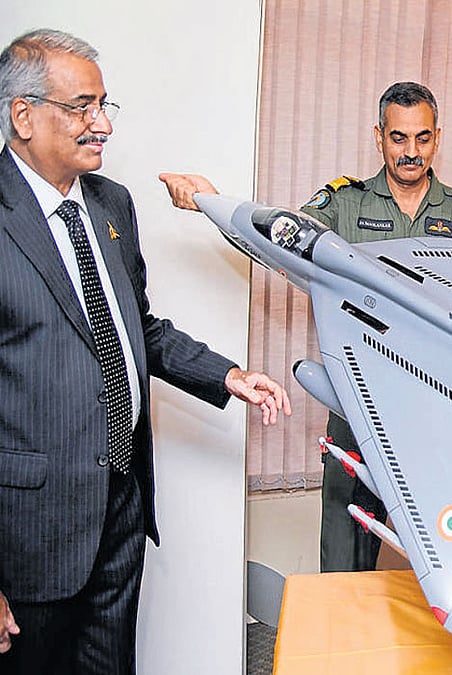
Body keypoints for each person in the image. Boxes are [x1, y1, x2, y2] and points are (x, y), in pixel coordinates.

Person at [0, 29, 291, 673]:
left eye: (104, 105)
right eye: (82, 107)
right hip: (29, 536)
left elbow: (137, 329)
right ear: (23, 115)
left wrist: (228, 375)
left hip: (120, 511)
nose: (102, 124)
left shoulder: (111, 204)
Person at [160, 81, 452, 573]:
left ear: (437, 138)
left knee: (448, 552)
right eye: (399, 137)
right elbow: (279, 241)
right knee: (343, 558)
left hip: (434, 409)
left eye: (422, 138)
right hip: (357, 397)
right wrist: (213, 204)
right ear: (379, 137)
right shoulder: (344, 203)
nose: (411, 151)